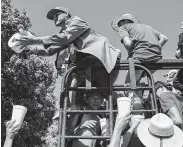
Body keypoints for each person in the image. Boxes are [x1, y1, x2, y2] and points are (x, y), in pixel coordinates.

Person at [18, 6, 121, 108]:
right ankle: (74, 109)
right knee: (102, 91)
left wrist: (33, 39)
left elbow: (64, 38)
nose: (54, 18)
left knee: (79, 77)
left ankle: (73, 106)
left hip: (99, 55)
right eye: (53, 17)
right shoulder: (65, 33)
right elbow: (49, 51)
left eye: (57, 15)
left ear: (66, 14)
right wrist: (30, 50)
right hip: (91, 62)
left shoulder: (76, 21)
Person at [111, 14, 168, 85]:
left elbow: (128, 44)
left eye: (119, 24)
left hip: (140, 58)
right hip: (156, 59)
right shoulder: (147, 27)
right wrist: (156, 47)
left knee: (129, 84)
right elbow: (164, 38)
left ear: (123, 21)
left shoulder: (123, 27)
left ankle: (135, 94)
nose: (119, 26)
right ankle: (140, 91)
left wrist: (131, 50)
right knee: (137, 80)